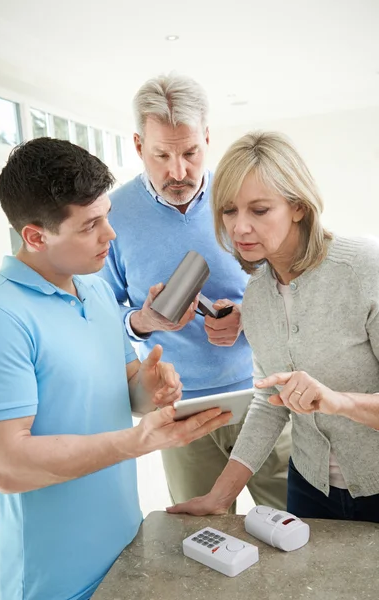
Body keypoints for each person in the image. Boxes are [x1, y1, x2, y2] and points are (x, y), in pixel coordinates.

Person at [0, 138, 232, 600]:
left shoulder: (93, 290)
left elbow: (125, 388)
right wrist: (138, 442)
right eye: (90, 225)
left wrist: (147, 387)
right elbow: (7, 466)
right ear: (36, 236)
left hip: (122, 549)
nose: (110, 235)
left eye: (107, 216)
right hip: (50, 578)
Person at [100, 74, 291, 512]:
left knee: (286, 520)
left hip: (264, 394)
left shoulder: (244, 195)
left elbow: (288, 277)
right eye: (161, 155)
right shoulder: (111, 217)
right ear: (136, 145)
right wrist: (142, 321)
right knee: (201, 533)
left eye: (190, 153)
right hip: (180, 408)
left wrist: (247, 313)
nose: (178, 171)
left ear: (207, 138)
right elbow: (99, 309)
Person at [167, 131, 379, 523]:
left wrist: (339, 402)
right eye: (229, 211)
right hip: (310, 489)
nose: (240, 228)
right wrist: (219, 495)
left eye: (259, 210)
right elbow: (269, 402)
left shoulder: (365, 269)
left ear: (297, 207)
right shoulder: (257, 295)